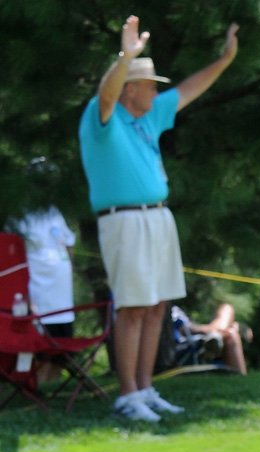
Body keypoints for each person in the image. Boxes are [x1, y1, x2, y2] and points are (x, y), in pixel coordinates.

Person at [79, 15, 239, 422]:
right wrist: (126, 56)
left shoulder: (148, 115)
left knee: (156, 307)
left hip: (157, 218)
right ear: (130, 88)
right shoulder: (103, 118)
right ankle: (127, 394)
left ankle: (145, 388)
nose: (156, 91)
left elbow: (189, 89)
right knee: (132, 307)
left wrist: (225, 59)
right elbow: (106, 94)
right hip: (124, 220)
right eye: (149, 84)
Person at [7, 157, 76, 384]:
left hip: (62, 290)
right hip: (36, 288)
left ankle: (53, 381)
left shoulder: (54, 211)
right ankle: (35, 381)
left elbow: (67, 242)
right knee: (39, 339)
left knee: (61, 338)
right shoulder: (20, 214)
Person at [171, 302, 251, 375]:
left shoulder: (174, 311)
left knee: (231, 333)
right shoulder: (168, 311)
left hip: (199, 345)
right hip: (186, 350)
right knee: (228, 317)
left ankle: (216, 335)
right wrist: (211, 329)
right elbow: (185, 331)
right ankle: (216, 335)